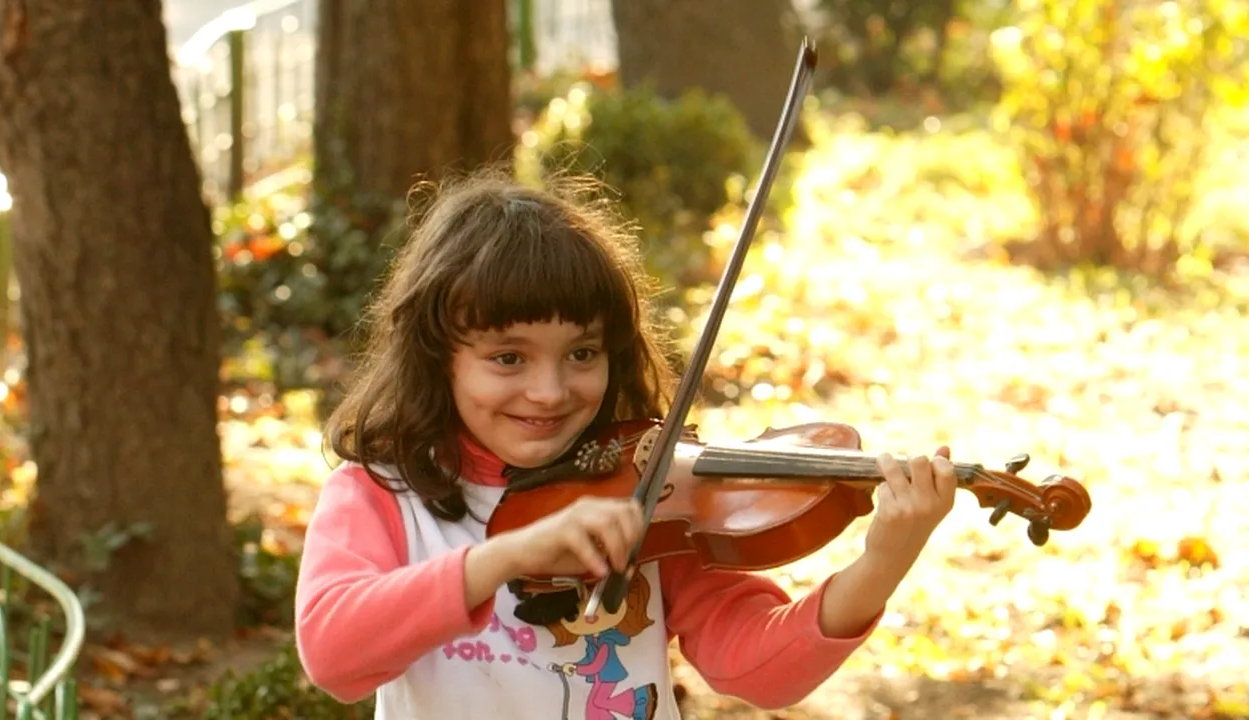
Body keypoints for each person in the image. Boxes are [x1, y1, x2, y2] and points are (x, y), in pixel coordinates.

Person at [293, 169, 957, 720]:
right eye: (508, 358)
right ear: (439, 358)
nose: (550, 392)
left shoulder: (649, 496)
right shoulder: (382, 493)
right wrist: (505, 557)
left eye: (582, 353)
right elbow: (333, 655)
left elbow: (758, 668)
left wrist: (880, 566)